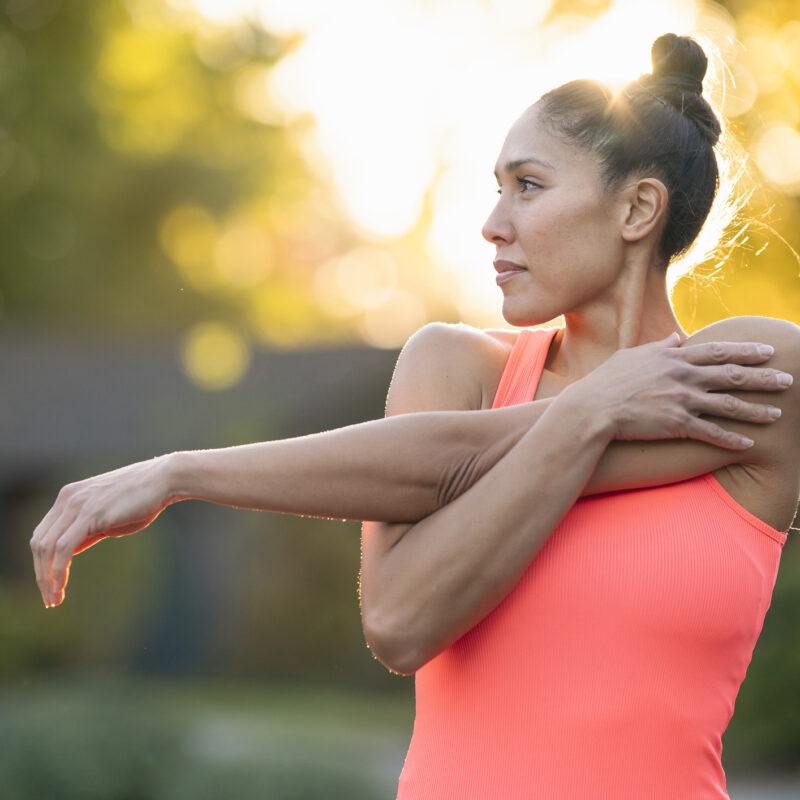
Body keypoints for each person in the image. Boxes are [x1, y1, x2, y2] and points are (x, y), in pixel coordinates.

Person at [31, 32, 798, 799]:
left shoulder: (759, 375)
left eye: (528, 185)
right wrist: (178, 472)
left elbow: (454, 461)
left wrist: (582, 415)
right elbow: (400, 624)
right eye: (496, 188)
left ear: (637, 207)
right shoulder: (455, 367)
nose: (493, 224)